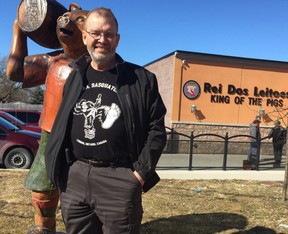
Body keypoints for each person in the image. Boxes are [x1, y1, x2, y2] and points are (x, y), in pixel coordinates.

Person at [44, 7, 167, 234]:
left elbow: (157, 131)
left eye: (109, 34)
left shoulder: (141, 80)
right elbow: (63, 122)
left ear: (117, 39)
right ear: (84, 37)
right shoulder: (74, 76)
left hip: (119, 179)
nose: (102, 40)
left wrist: (138, 175)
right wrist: (63, 172)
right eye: (96, 33)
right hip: (75, 177)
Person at [6, 4, 89, 234]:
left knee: (82, 189)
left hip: (83, 137)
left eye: (80, 20)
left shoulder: (95, 66)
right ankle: (44, 227)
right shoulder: (52, 61)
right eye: (63, 17)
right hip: (50, 134)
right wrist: (19, 31)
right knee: (42, 186)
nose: (67, 22)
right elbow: (14, 71)